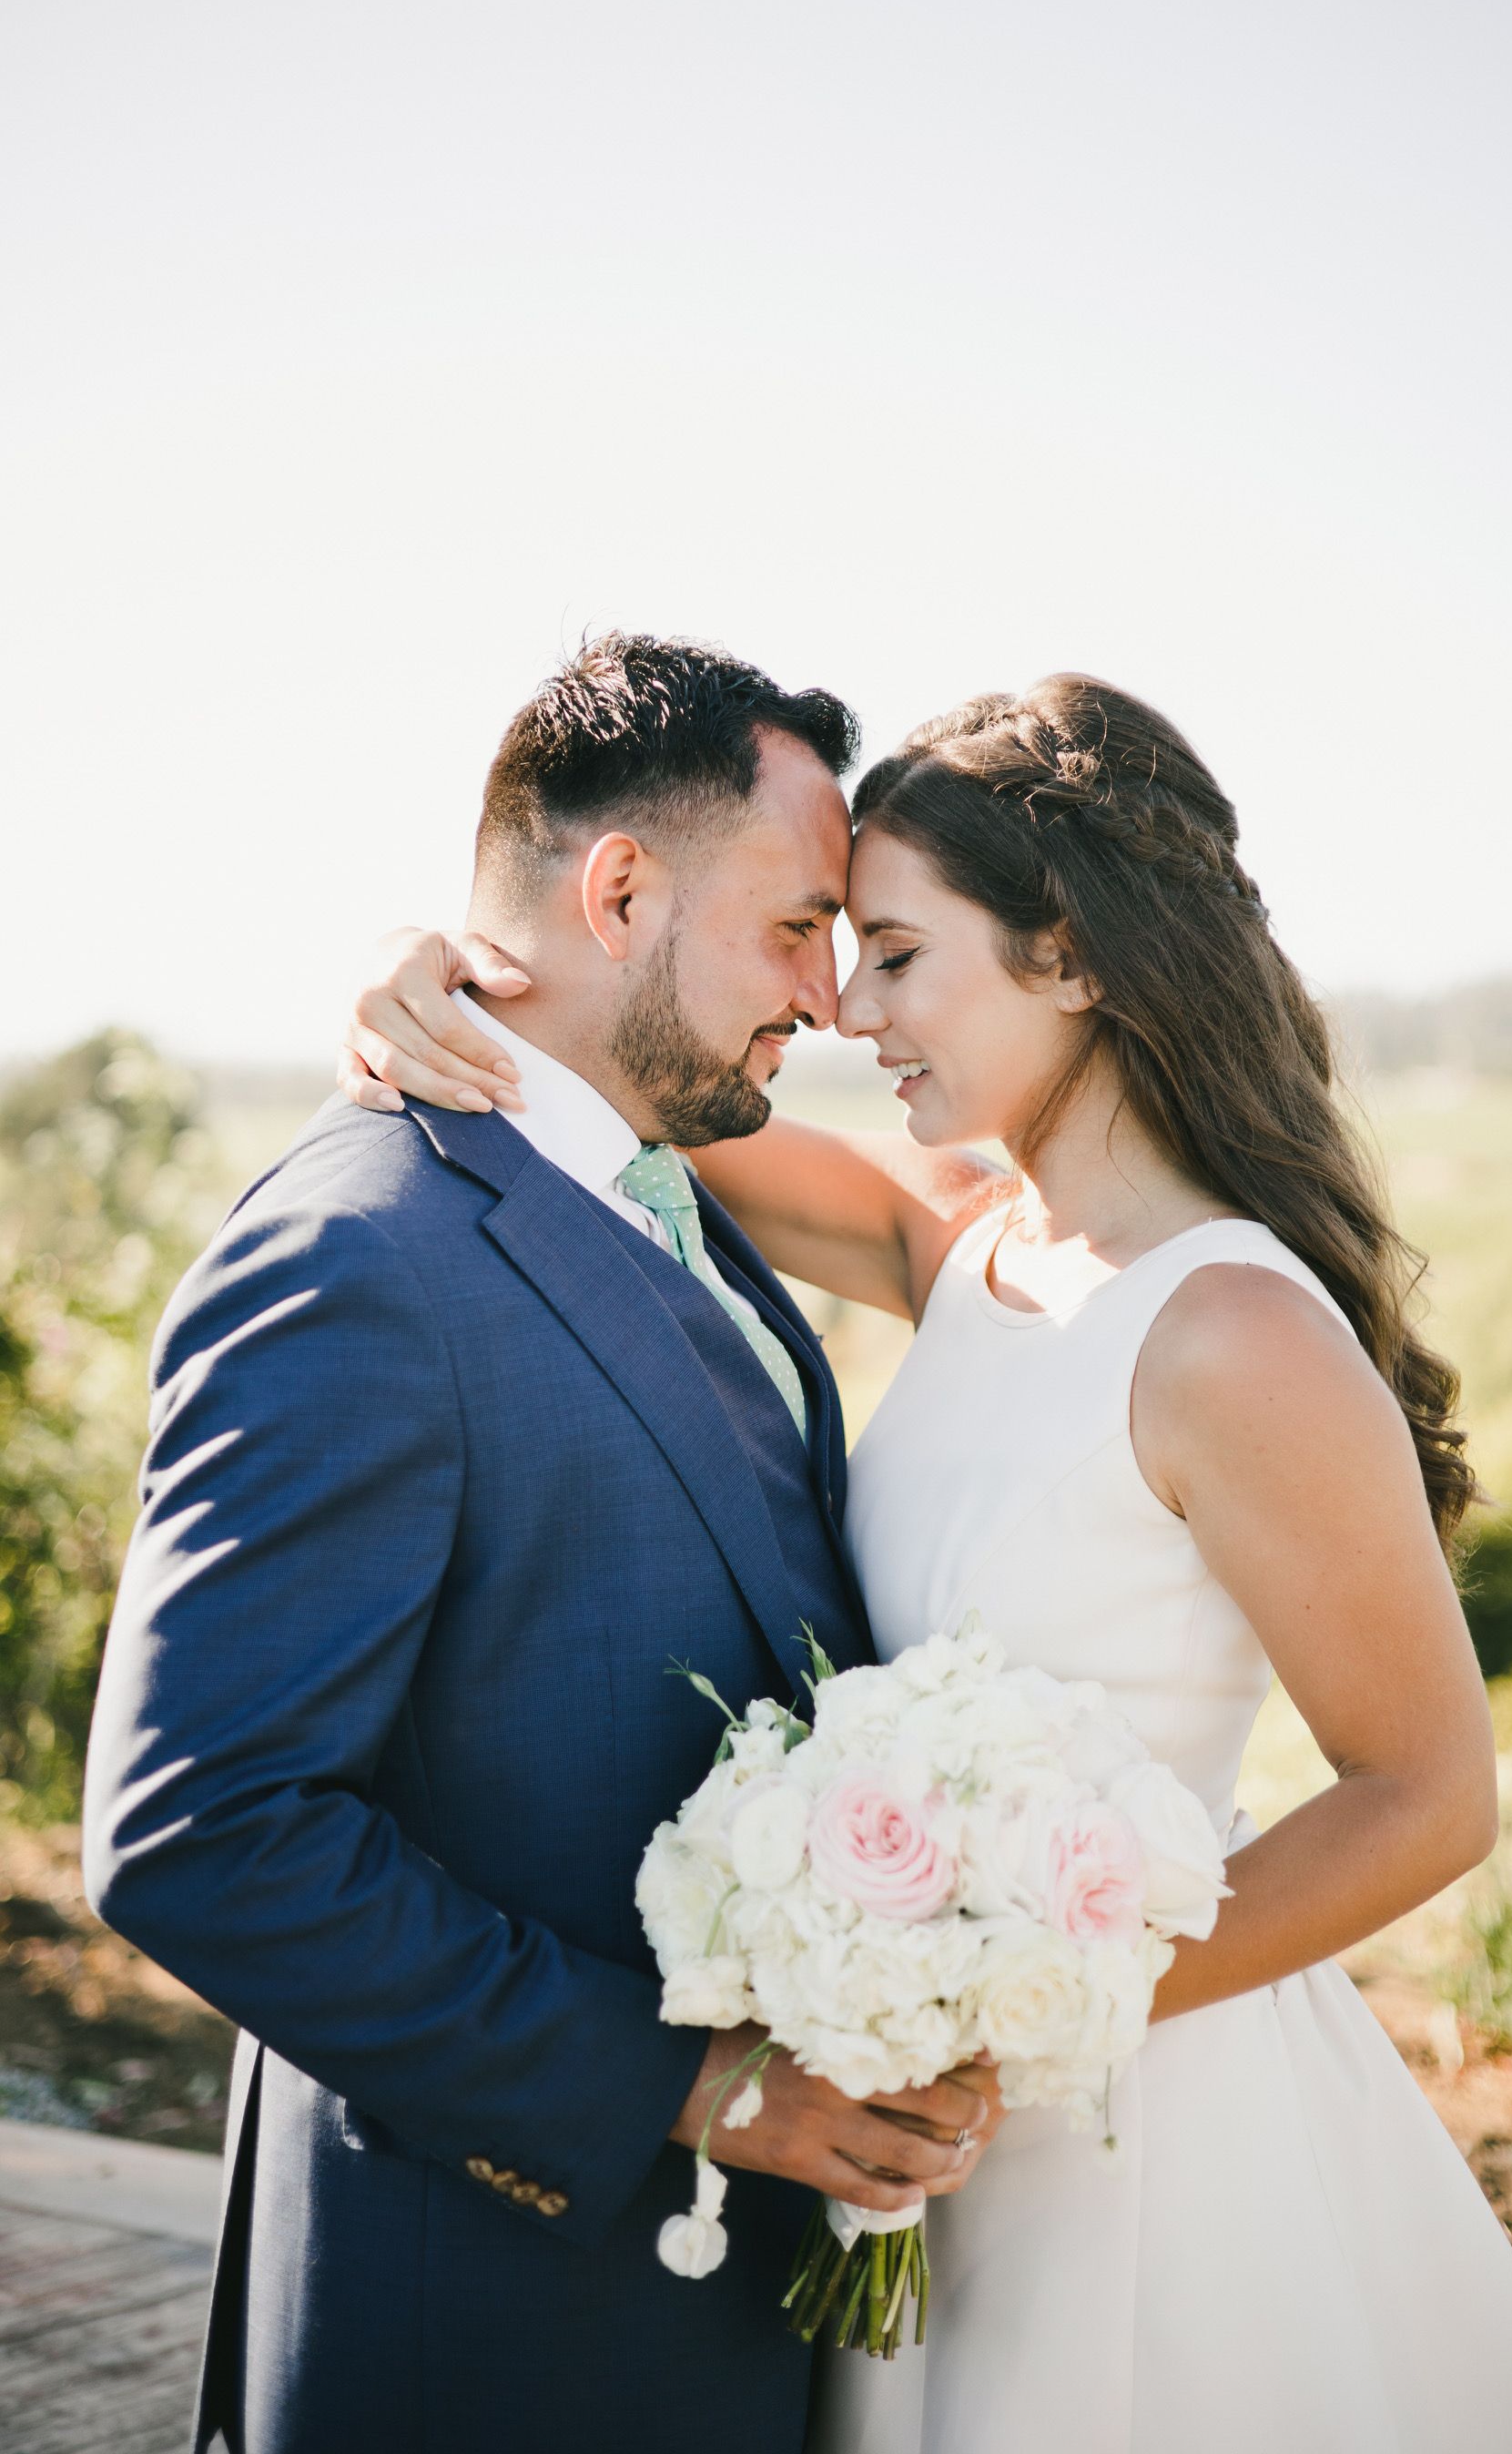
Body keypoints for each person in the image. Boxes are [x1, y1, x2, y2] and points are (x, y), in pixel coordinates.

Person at [345, 670, 1512, 2452]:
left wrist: (1004, 2011)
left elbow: (1429, 1793)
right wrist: (428, 978)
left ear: (1072, 958)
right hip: (927, 2134)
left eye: (899, 955)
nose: (846, 1008)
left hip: (1146, 2131)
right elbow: (610, 1082)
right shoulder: (975, 1250)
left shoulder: (1230, 1333)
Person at [82, 634, 1002, 2454]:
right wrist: (691, 2088)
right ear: (619, 886)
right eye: (797, 925)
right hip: (478, 2311)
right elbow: (204, 1833)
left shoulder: (657, 1186)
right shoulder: (357, 1255)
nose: (827, 998)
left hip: (693, 2329)